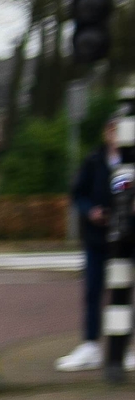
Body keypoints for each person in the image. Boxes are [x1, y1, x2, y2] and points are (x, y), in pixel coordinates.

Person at [59, 119, 129, 372]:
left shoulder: (130, 161)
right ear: (105, 133)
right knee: (93, 291)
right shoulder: (93, 160)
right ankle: (91, 345)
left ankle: (124, 347)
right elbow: (78, 193)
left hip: (126, 240)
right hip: (97, 238)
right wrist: (90, 212)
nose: (116, 135)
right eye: (112, 130)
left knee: (123, 293)